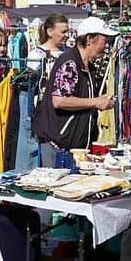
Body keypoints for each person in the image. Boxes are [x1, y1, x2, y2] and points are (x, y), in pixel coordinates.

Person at [32, 17, 117, 166]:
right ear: (90, 39)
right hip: (59, 147)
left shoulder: (88, 67)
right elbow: (59, 100)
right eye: (105, 40)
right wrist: (96, 102)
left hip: (76, 147)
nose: (107, 46)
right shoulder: (70, 63)